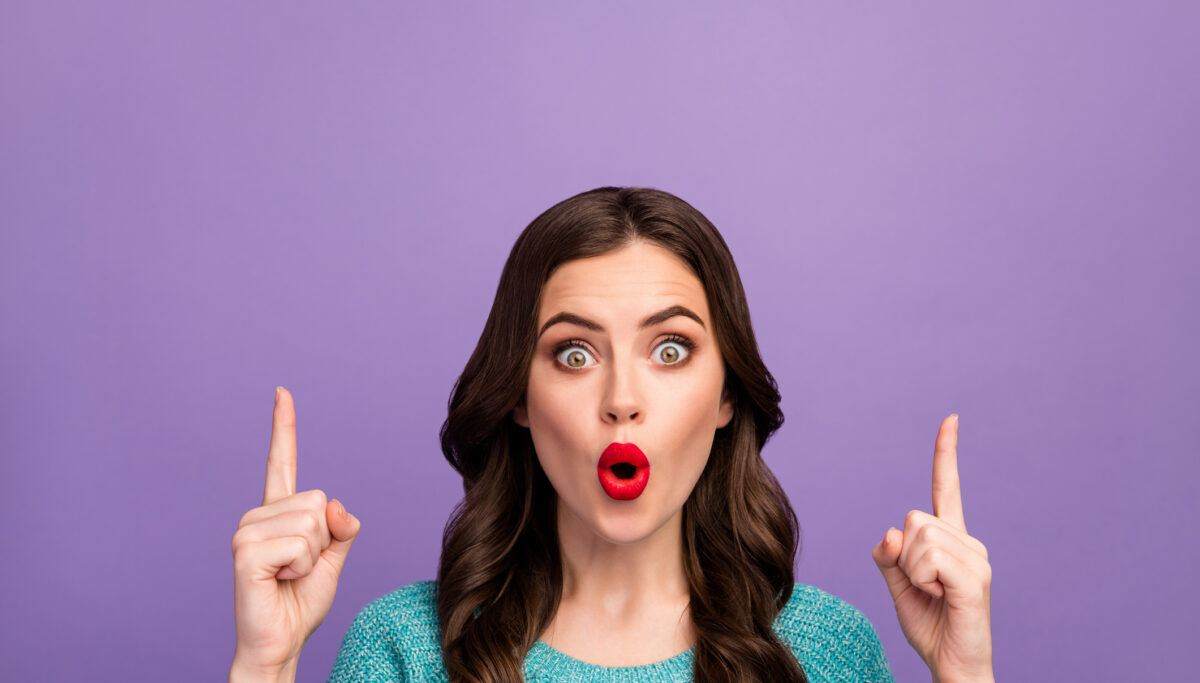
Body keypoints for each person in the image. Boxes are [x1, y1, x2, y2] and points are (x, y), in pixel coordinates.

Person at [229, 187, 994, 682]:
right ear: (520, 396)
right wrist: (265, 663)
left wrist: (966, 672)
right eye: (573, 352)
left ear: (727, 393)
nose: (621, 400)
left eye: (670, 350)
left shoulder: (824, 652)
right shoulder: (405, 649)